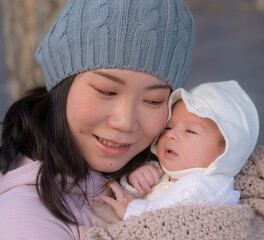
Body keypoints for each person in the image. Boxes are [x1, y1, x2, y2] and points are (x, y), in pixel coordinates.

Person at [0, 0, 195, 239]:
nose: (125, 121)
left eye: (153, 100)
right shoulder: (26, 219)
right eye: (106, 91)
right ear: (63, 86)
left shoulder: (183, 177)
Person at [100, 80, 259, 220]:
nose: (170, 135)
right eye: (168, 127)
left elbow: (170, 217)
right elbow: (136, 195)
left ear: (225, 151)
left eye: (190, 131)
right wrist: (135, 182)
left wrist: (132, 210)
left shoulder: (208, 186)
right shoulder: (160, 170)